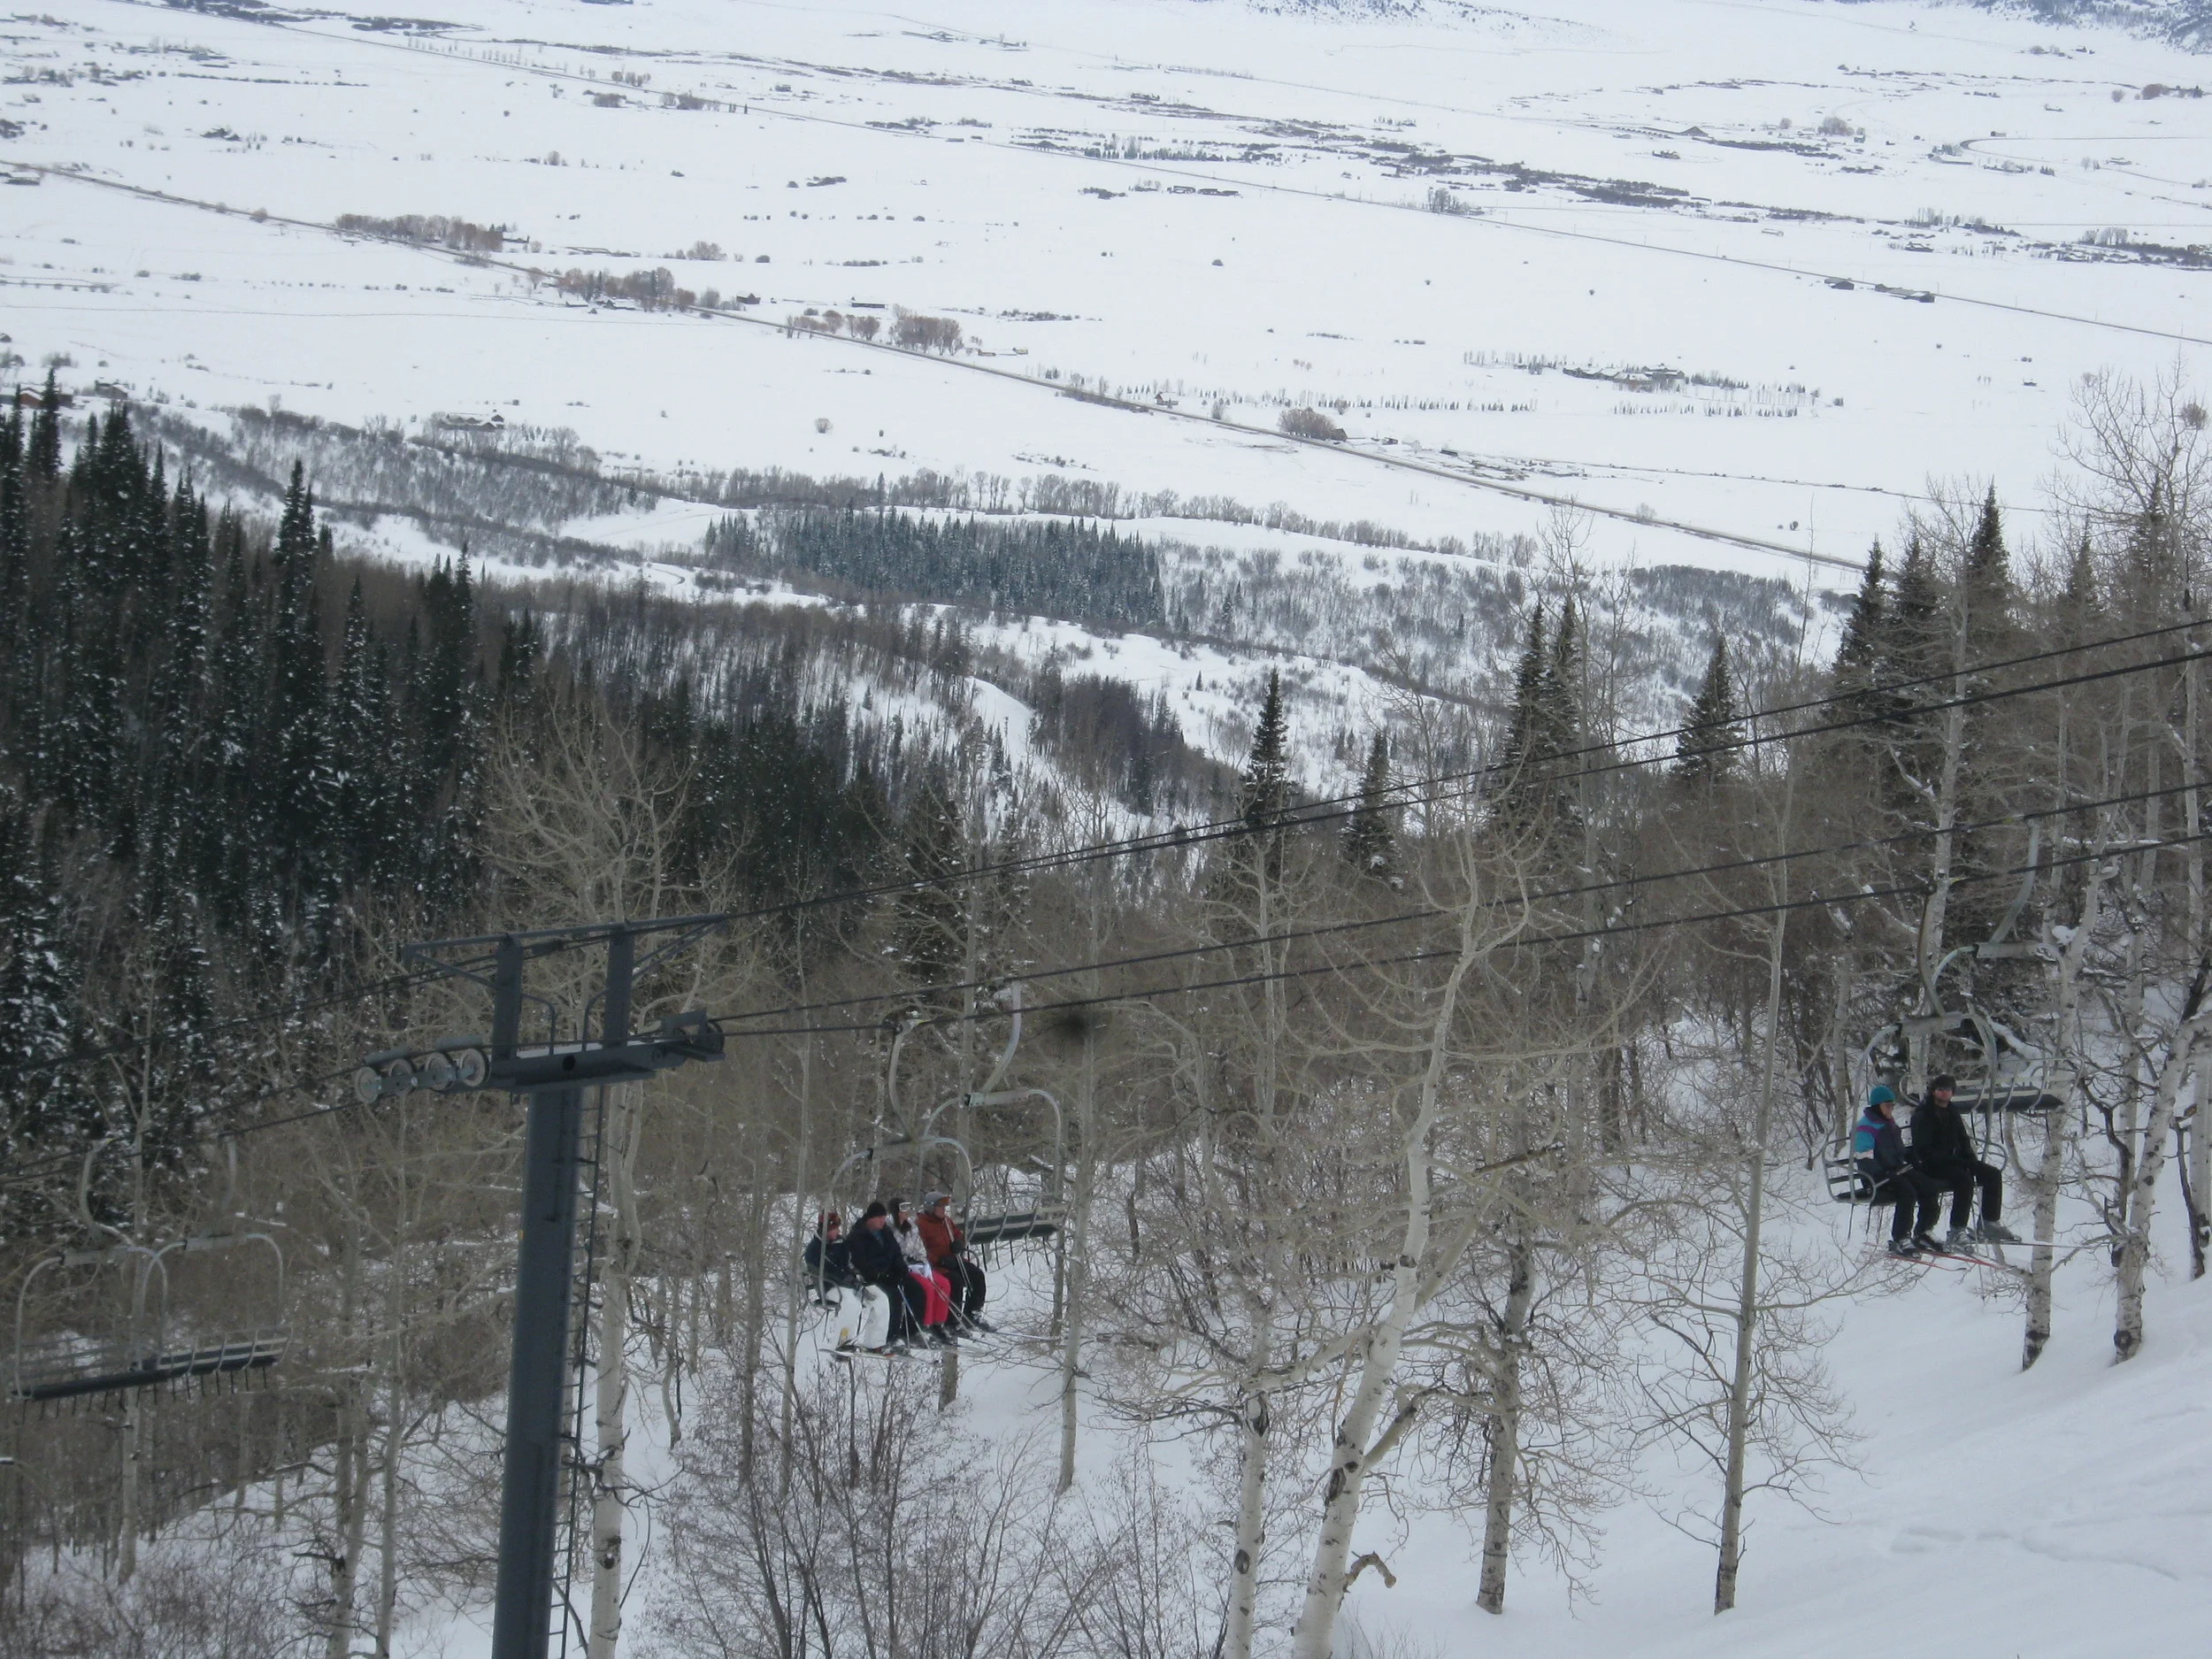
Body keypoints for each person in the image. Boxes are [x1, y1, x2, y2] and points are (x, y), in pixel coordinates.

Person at [1910, 1074, 2020, 1247]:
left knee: (1992, 1174)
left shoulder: (1952, 1111)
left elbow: (1962, 1138)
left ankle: (1988, 1223)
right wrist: (1955, 1161)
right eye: (1940, 1090)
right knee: (1964, 1180)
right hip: (1932, 1164)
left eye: (1948, 1090)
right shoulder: (1924, 1114)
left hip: (1954, 1161)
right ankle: (1957, 1229)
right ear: (1933, 1092)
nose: (1944, 1094)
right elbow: (1924, 1149)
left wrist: (1969, 1159)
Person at [1855, 1085, 1944, 1256]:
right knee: (1907, 1191)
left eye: (1892, 1106)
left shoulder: (1889, 1123)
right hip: (1876, 1177)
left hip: (1896, 1170)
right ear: (1877, 1106)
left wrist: (1911, 1157)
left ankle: (1924, 1231)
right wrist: (1882, 1173)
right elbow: (1864, 1158)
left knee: (1928, 1186)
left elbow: (1898, 1150)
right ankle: (1900, 1237)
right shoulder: (1866, 1127)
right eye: (1887, 1106)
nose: (1891, 1109)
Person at [804, 1211, 887, 1349]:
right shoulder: (815, 1249)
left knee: (881, 1299)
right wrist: (850, 1281)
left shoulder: (841, 1243)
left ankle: (875, 1343)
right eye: (832, 1229)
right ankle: (841, 1342)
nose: (836, 1232)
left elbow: (850, 1262)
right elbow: (829, 1271)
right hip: (831, 1287)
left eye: (837, 1228)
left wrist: (862, 1274)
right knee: (852, 1305)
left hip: (851, 1284)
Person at [849, 1200, 923, 1351]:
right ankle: (890, 1337)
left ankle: (911, 1331)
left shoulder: (886, 1232)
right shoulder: (858, 1235)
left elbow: (896, 1253)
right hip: (873, 1278)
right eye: (879, 1218)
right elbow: (860, 1262)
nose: (883, 1221)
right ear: (870, 1218)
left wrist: (900, 1269)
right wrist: (881, 1275)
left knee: (917, 1290)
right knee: (894, 1297)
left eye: (884, 1218)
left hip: (891, 1273)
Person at [918, 1191, 992, 1333]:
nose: (943, 1210)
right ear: (930, 1207)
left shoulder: (946, 1221)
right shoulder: (922, 1224)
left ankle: (972, 1313)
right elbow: (921, 1249)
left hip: (953, 1260)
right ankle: (952, 1320)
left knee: (976, 1275)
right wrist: (939, 1260)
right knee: (954, 1281)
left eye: (944, 1207)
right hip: (936, 1265)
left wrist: (959, 1243)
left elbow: (958, 1235)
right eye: (940, 1207)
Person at [890, 1196, 956, 1344]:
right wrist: (909, 1262)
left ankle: (938, 1323)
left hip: (918, 1264)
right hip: (904, 1266)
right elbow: (898, 1250)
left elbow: (920, 1248)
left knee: (943, 1283)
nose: (906, 1211)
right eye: (903, 1208)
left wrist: (923, 1263)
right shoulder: (891, 1229)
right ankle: (925, 1324)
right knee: (927, 1287)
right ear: (896, 1211)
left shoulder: (912, 1227)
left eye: (908, 1207)